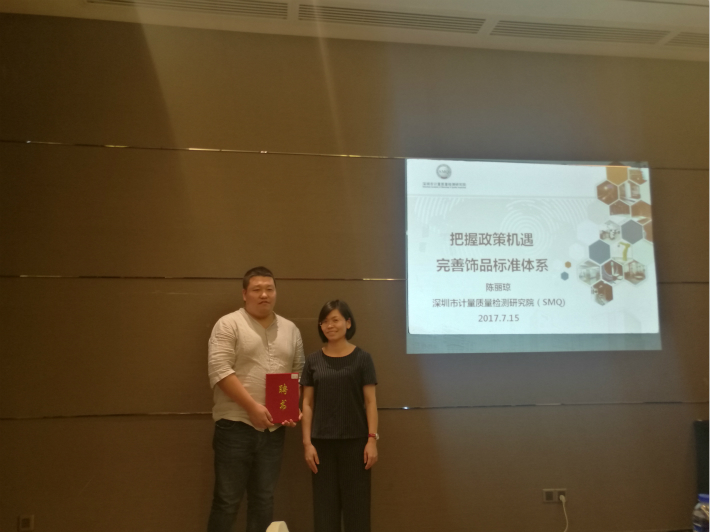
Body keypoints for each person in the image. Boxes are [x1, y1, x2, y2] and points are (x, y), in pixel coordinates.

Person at [207, 266, 305, 532]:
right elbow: (219, 370)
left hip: (274, 430)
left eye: (269, 289)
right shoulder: (228, 324)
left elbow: (298, 372)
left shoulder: (291, 329)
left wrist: (292, 408)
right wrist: (252, 407)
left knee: (264, 500)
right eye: (257, 289)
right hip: (234, 426)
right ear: (244, 294)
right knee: (226, 501)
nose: (264, 294)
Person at [300, 300, 379, 532]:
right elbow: (307, 403)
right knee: (325, 513)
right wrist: (307, 444)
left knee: (357, 513)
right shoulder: (313, 361)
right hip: (321, 446)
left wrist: (372, 440)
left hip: (356, 444)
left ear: (348, 323)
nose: (329, 325)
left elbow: (371, 402)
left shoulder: (363, 358)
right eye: (324, 321)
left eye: (335, 320)